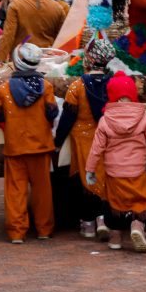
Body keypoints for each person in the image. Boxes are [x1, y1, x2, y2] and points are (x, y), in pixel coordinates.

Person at [85, 71, 146, 252]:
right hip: (137, 171)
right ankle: (137, 226)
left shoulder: (105, 121)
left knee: (113, 204)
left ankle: (115, 238)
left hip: (114, 173)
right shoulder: (142, 117)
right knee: (142, 200)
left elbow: (96, 149)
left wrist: (90, 170)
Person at [0, 43, 59, 243]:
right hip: (40, 147)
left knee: (15, 191)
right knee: (42, 191)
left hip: (15, 147)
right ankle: (44, 229)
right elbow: (52, 112)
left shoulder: (4, 90)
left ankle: (16, 232)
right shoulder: (46, 87)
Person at [55, 38, 115, 240]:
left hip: (82, 139)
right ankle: (103, 219)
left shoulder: (77, 87)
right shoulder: (112, 85)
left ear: (88, 60)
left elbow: (67, 118)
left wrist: (57, 141)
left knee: (85, 178)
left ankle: (88, 224)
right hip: (106, 137)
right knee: (105, 177)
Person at [0, 0, 67, 64]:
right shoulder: (58, 7)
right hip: (46, 58)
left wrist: (0, 59)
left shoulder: (16, 4)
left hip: (22, 58)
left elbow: (9, 34)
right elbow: (61, 36)